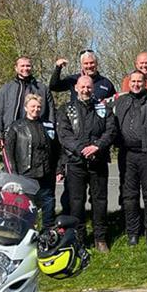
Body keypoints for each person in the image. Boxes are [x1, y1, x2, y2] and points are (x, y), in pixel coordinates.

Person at [56, 75, 117, 252]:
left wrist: (97, 146)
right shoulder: (66, 109)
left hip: (98, 161)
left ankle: (100, 238)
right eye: (82, 87)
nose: (85, 90)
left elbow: (111, 130)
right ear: (76, 88)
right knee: (76, 202)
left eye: (89, 87)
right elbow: (64, 135)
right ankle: (78, 238)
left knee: (100, 201)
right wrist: (83, 149)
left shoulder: (103, 108)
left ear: (93, 88)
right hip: (76, 162)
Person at [113, 71, 147, 246]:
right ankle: (133, 233)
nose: (136, 84)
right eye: (133, 81)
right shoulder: (120, 102)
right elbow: (109, 124)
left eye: (139, 81)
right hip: (127, 155)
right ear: (129, 83)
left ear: (145, 83)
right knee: (130, 196)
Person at [4, 94, 60, 228]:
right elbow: (8, 152)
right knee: (25, 206)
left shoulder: (48, 125)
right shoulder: (16, 126)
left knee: (48, 202)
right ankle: (24, 231)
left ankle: (48, 231)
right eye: (33, 106)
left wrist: (59, 169)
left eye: (38, 106)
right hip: (26, 174)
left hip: (46, 173)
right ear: (26, 108)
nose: (36, 109)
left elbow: (57, 149)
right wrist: (12, 174)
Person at [0, 56, 55, 149]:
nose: (25, 68)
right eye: (22, 66)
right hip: (11, 134)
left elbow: (51, 112)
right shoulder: (6, 89)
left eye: (28, 66)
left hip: (37, 135)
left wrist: (51, 132)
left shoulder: (43, 89)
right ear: (16, 68)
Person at [50, 50, 116, 101]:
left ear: (96, 63)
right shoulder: (73, 80)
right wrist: (58, 68)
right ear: (81, 65)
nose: (89, 66)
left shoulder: (106, 83)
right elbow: (54, 87)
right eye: (86, 63)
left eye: (92, 63)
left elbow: (115, 103)